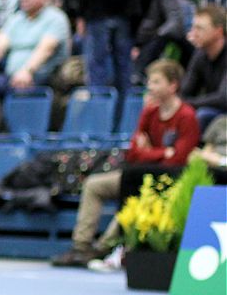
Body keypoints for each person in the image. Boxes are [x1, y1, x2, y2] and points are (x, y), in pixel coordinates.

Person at [51, 59, 200, 268]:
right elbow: (134, 153)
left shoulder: (187, 116)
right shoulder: (150, 112)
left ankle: (103, 247)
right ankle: (81, 246)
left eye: (156, 82)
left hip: (165, 182)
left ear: (173, 85)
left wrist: (150, 151)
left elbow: (177, 160)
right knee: (94, 184)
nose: (150, 87)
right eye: (150, 81)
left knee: (134, 195)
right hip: (137, 174)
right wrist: (162, 152)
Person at [181, 5, 227, 131]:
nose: (193, 33)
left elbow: (224, 99)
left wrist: (188, 104)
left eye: (199, 28)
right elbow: (185, 92)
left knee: (202, 115)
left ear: (218, 31)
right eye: (193, 27)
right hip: (213, 110)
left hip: (221, 114)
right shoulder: (200, 54)